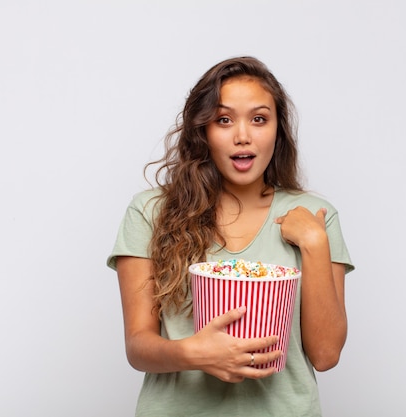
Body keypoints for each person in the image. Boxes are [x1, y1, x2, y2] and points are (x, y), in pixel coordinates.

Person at [107, 56, 354, 416]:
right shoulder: (150, 212)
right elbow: (138, 347)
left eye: (259, 119)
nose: (242, 136)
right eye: (224, 120)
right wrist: (195, 353)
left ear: (277, 130)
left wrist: (315, 244)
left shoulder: (316, 218)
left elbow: (326, 355)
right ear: (202, 130)